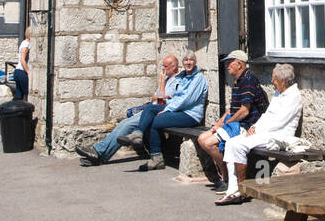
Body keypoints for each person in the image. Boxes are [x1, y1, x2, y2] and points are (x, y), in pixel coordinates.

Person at [216, 64, 303, 205]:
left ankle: (243, 190)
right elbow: (267, 115)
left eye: (274, 79)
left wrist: (257, 131)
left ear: (283, 80)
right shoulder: (278, 93)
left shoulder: (293, 96)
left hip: (280, 136)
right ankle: (232, 189)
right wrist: (255, 127)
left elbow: (280, 122)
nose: (272, 81)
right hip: (265, 132)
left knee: (239, 145)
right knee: (232, 142)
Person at [76, 55, 179, 166]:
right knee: (124, 122)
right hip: (151, 109)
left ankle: (99, 153)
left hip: (160, 112)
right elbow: (154, 97)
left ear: (173, 67)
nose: (162, 68)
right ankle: (98, 154)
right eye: (162, 65)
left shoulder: (177, 81)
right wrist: (160, 93)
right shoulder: (168, 79)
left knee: (128, 125)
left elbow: (161, 100)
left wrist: (162, 82)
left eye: (165, 66)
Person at [121, 52, 207, 171]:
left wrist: (167, 109)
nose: (188, 62)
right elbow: (172, 98)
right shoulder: (183, 77)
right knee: (150, 109)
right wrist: (168, 107)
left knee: (156, 120)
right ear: (183, 63)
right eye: (186, 60)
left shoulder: (198, 79)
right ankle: (138, 134)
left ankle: (156, 158)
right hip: (178, 110)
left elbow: (186, 100)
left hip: (190, 115)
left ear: (195, 62)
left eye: (191, 60)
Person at [198, 50, 269, 193]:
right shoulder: (238, 81)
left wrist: (226, 124)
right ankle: (226, 174)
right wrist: (219, 123)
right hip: (236, 123)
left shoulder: (249, 80)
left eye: (230, 62)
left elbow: (244, 111)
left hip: (247, 125)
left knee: (208, 142)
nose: (227, 66)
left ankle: (227, 178)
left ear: (240, 64)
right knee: (201, 138)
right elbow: (232, 109)